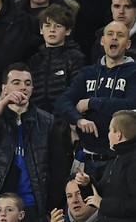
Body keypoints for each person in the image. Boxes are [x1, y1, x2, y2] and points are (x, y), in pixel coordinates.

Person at [0, 63, 66, 221]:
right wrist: (3, 104)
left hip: (32, 205)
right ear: (4, 89)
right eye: (16, 83)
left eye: (27, 83)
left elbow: (58, 169)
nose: (23, 87)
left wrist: (51, 208)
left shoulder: (47, 121)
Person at [55, 21, 136, 180]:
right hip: (87, 158)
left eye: (120, 36)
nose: (114, 39)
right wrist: (78, 120)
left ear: (128, 44)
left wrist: (92, 102)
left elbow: (131, 105)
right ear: (102, 41)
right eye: (110, 34)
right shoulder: (88, 72)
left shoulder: (133, 73)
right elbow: (63, 101)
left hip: (120, 160)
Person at [72, 109, 136, 219]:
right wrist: (86, 183)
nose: (108, 135)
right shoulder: (115, 157)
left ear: (118, 135)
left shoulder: (132, 162)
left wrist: (102, 204)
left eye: (110, 130)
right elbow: (102, 193)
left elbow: (132, 205)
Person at [27, 4, 86, 115]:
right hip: (36, 122)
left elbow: (76, 93)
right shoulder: (33, 60)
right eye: (48, 25)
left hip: (64, 122)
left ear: (67, 31)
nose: (52, 30)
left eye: (58, 26)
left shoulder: (76, 58)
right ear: (41, 30)